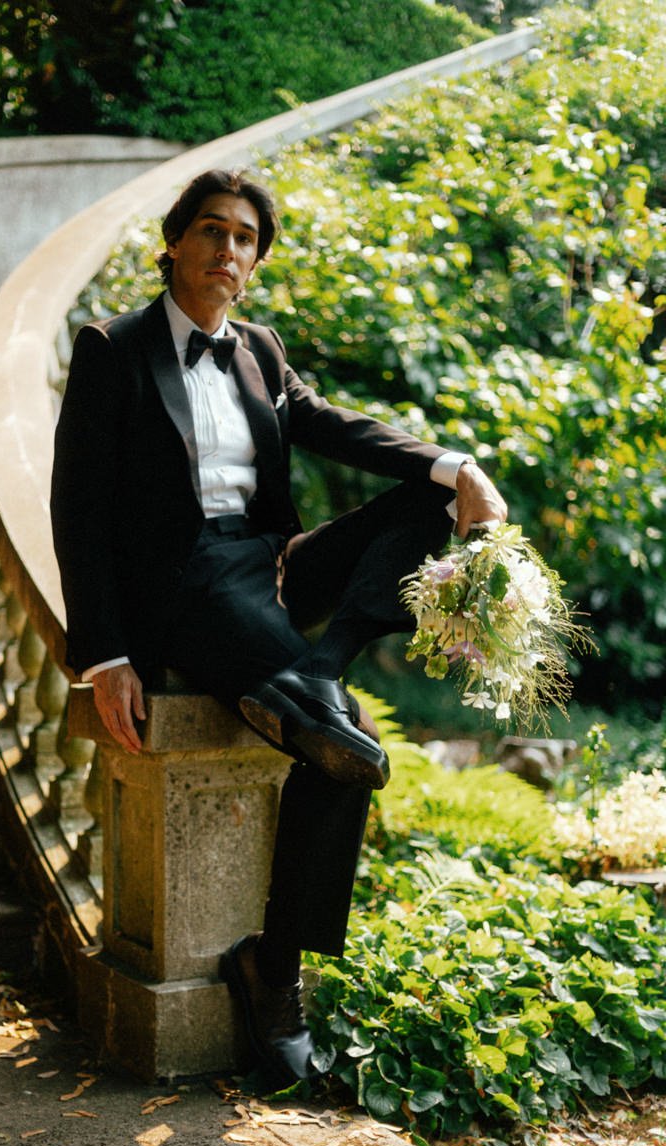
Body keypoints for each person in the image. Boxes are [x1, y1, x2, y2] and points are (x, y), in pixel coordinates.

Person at [50, 168, 507, 1086]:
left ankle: (324, 669)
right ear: (175, 243)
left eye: (246, 239)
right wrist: (103, 654)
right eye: (212, 231)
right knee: (354, 751)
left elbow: (329, 423)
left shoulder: (259, 347)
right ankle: (278, 972)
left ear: (256, 260)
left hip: (268, 568)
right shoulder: (114, 348)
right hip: (181, 590)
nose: (228, 250)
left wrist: (457, 469)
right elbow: (78, 508)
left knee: (420, 506)